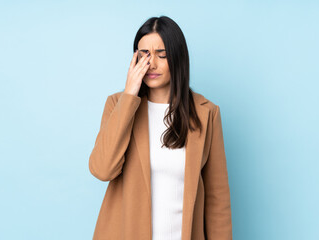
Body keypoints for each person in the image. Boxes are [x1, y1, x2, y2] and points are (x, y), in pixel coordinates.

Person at [89, 15, 233, 240]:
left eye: (161, 55)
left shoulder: (207, 113)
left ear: (177, 58)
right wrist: (129, 96)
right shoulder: (118, 105)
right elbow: (102, 169)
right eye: (143, 55)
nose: (151, 64)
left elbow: (218, 200)